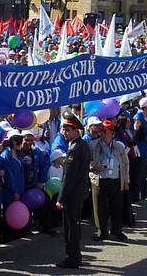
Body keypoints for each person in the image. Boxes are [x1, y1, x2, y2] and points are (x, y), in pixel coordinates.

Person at [55, 112, 91, 269]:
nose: (65, 132)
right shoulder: (83, 145)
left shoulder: (75, 149)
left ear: (77, 130)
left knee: (70, 228)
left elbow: (68, 178)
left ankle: (73, 257)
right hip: (79, 191)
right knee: (74, 225)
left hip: (72, 194)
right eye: (64, 129)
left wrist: (61, 198)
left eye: (68, 129)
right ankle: (75, 256)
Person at [89, 120, 130, 242]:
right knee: (99, 207)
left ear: (112, 132)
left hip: (116, 179)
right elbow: (87, 162)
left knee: (117, 206)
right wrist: (94, 166)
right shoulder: (92, 145)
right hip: (100, 179)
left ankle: (117, 231)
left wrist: (126, 181)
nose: (101, 133)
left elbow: (125, 164)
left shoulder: (119, 146)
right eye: (100, 131)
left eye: (104, 131)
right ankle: (102, 231)